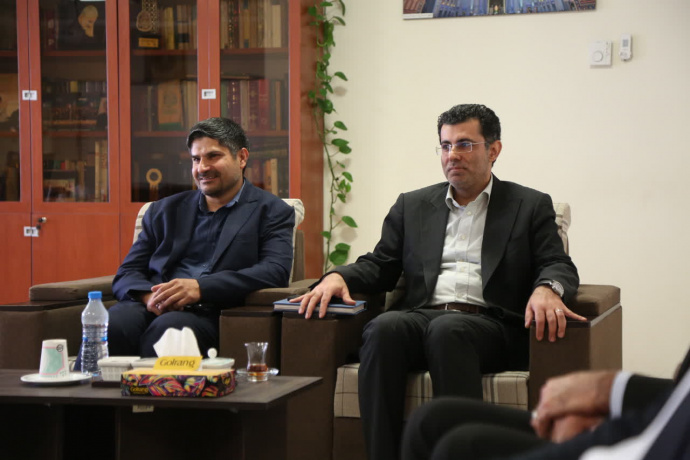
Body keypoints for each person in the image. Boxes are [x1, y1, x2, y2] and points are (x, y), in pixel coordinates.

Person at [292, 104, 583, 460]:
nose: (452, 155)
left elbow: (557, 263)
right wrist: (338, 275)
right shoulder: (412, 205)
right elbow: (381, 264)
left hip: (492, 326)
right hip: (424, 316)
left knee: (449, 330)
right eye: (445, 146)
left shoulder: (529, 204)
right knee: (384, 328)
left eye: (465, 144)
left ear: (493, 150)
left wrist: (547, 288)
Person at [83, 117, 294, 363]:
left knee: (170, 330)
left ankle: (152, 391)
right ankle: (89, 390)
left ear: (242, 157)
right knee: (114, 323)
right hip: (152, 305)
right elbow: (127, 273)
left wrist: (200, 288)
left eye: (213, 156)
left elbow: (275, 270)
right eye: (196, 159)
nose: (202, 168)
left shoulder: (271, 211)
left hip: (211, 312)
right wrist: (151, 297)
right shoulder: (163, 211)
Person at [401, 346, 690, 460]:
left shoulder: (527, 224)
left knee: (461, 447)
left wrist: (605, 390)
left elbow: (556, 265)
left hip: (649, 448)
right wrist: (605, 406)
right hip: (646, 423)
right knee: (431, 420)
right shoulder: (415, 225)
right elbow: (678, 398)